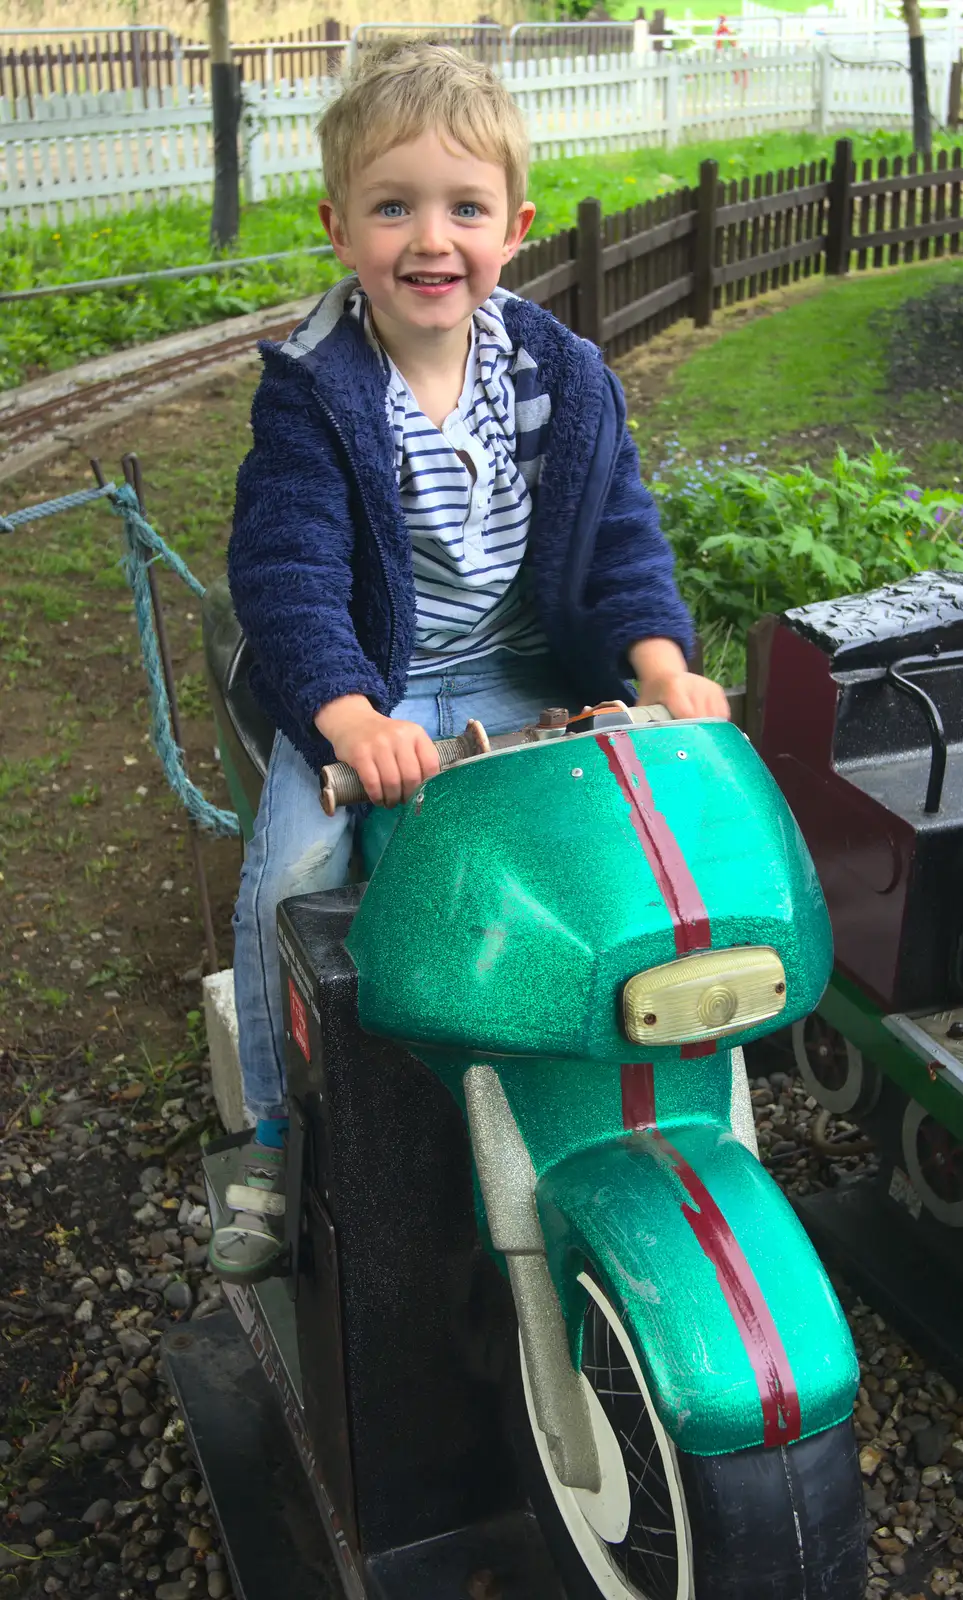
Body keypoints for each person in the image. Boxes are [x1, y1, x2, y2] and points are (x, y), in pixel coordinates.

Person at [209, 40, 730, 1284]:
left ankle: (609, 1079)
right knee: (295, 866)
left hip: (512, 672)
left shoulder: (560, 377)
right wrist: (344, 717)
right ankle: (272, 1139)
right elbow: (288, 574)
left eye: (462, 208)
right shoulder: (316, 394)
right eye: (392, 206)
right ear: (341, 228)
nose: (427, 239)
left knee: (617, 830)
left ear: (516, 227)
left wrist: (660, 667)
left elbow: (617, 538)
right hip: (376, 682)